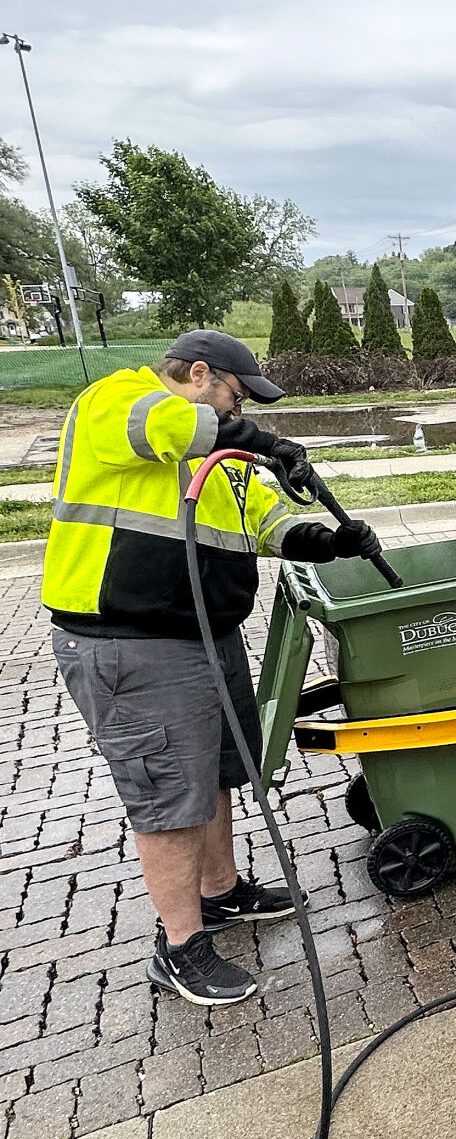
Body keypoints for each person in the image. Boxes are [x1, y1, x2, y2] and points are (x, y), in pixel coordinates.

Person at [43, 330, 383, 1007]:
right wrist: (254, 437)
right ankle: (179, 946)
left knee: (221, 773)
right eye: (234, 396)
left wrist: (329, 539)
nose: (236, 411)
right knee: (170, 797)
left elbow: (266, 523)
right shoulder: (118, 402)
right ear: (199, 374)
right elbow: (169, 426)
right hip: (132, 643)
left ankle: (222, 894)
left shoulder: (221, 461)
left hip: (207, 637)